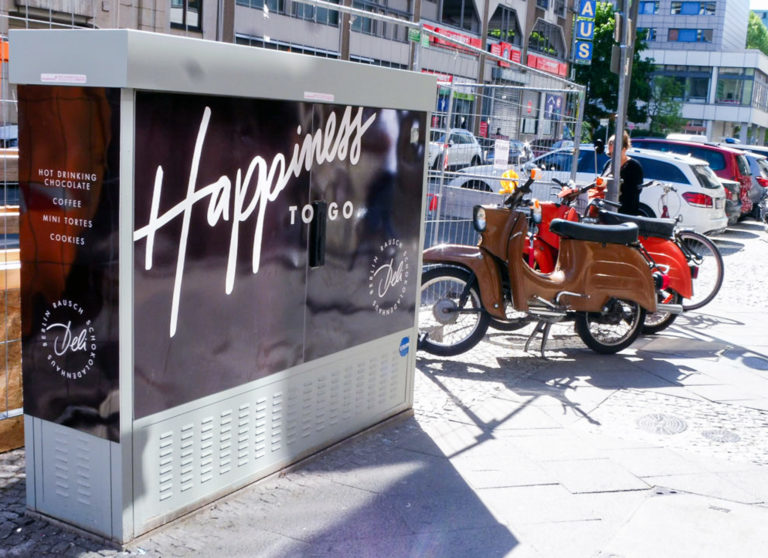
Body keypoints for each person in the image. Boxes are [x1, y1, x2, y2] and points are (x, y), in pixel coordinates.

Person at [602, 131, 643, 215]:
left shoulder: (633, 166)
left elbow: (635, 191)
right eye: (609, 143)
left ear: (624, 149)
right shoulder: (608, 163)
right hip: (606, 206)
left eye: (613, 144)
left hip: (624, 211)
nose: (610, 146)